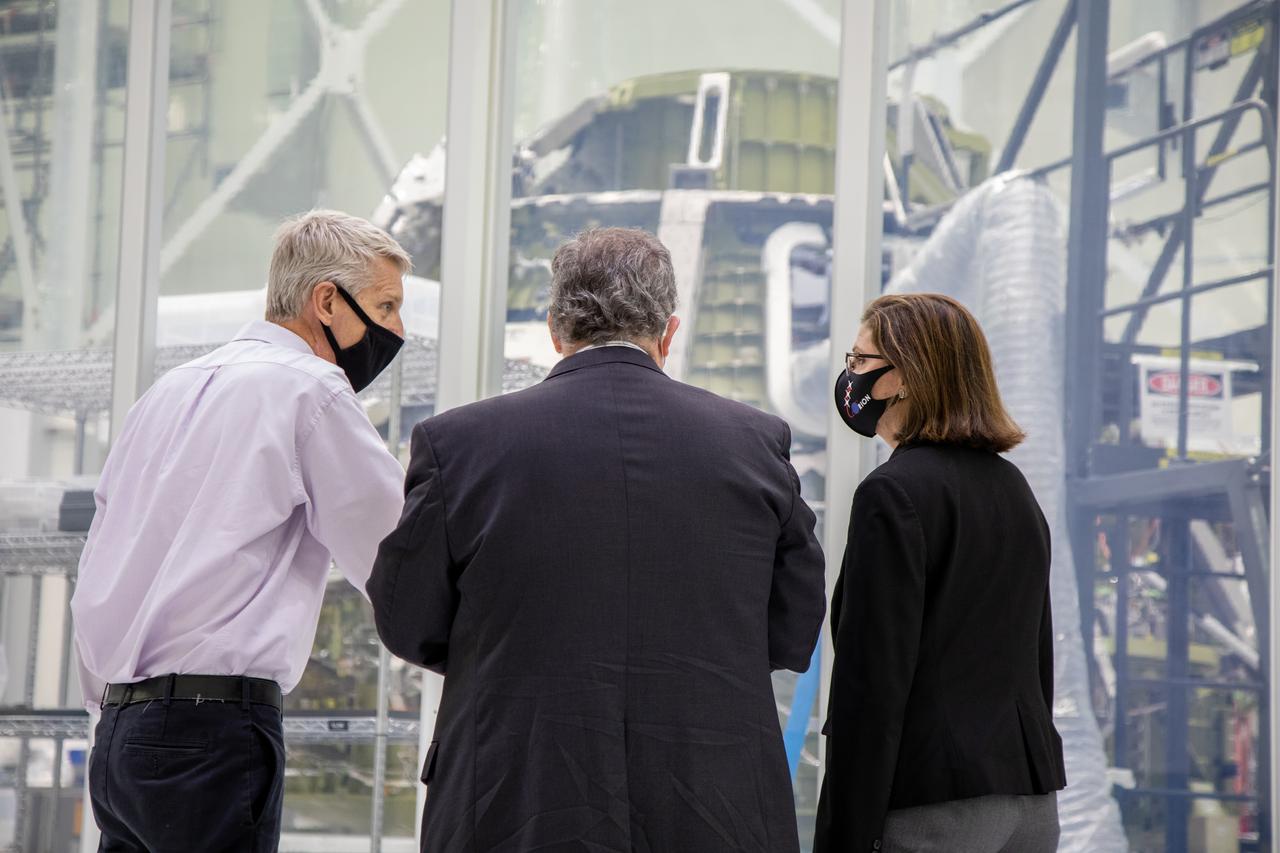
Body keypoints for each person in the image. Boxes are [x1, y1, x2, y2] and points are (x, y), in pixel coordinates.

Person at [368, 226, 827, 852]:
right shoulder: (754, 444)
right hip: (715, 804)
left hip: (512, 800)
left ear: (556, 330)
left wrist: (507, 652)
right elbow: (794, 625)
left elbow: (406, 618)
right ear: (669, 333)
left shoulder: (460, 445)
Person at [71, 209, 411, 852]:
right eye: (387, 305)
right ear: (327, 301)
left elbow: (100, 560)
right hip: (215, 734)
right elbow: (397, 553)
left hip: (120, 737)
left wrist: (107, 711)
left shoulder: (167, 392)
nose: (397, 329)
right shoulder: (312, 392)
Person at [814, 293, 1066, 853]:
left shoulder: (893, 492)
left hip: (934, 808)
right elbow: (1036, 656)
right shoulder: (1014, 489)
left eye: (860, 361)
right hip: (1029, 801)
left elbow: (872, 685)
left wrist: (844, 835)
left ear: (906, 377)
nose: (849, 376)